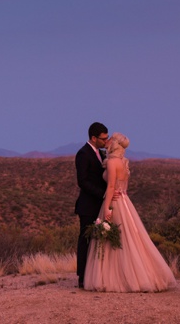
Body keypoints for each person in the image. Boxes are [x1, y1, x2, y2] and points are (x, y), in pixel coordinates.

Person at [84, 132, 175, 292]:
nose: (108, 140)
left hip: (115, 202)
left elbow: (111, 186)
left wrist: (106, 208)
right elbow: (123, 186)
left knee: (115, 241)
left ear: (115, 144)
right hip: (125, 201)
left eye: (110, 138)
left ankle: (117, 278)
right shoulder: (124, 162)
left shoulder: (112, 162)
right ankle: (137, 275)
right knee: (130, 239)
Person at [74, 122, 111, 289]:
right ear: (93, 138)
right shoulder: (83, 154)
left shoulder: (102, 154)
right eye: (104, 139)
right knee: (85, 240)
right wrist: (102, 194)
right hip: (88, 205)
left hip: (101, 205)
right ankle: (82, 277)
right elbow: (82, 181)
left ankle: (97, 275)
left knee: (100, 240)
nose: (106, 141)